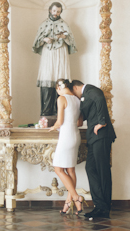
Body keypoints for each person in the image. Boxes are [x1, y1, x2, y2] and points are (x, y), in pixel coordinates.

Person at [72, 80, 116, 219]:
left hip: (101, 136)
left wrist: (102, 122)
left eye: (74, 93)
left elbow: (99, 97)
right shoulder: (86, 97)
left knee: (103, 171)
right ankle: (99, 206)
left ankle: (104, 209)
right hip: (93, 138)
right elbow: (83, 116)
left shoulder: (91, 90)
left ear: (76, 87)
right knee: (90, 168)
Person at [32, 2, 77, 119]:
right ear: (50, 10)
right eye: (54, 11)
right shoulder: (44, 24)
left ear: (60, 12)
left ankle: (59, 111)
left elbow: (72, 41)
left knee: (60, 78)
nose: (55, 13)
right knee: (47, 78)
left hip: (60, 52)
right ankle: (46, 112)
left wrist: (64, 37)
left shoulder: (64, 24)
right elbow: (37, 41)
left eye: (58, 11)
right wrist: (44, 39)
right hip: (48, 53)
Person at [48, 79, 86, 215]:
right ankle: (70, 204)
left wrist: (52, 127)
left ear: (59, 87)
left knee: (58, 169)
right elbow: (80, 122)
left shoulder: (61, 98)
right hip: (75, 136)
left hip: (66, 137)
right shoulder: (77, 99)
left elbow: (60, 121)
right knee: (70, 170)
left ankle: (76, 197)